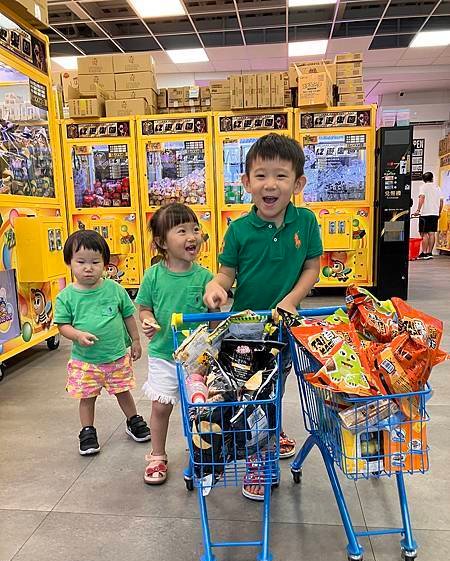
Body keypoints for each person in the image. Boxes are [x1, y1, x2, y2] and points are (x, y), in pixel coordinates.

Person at [203, 133, 323, 501]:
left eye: (281, 175)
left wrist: (292, 299)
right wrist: (216, 287)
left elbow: (312, 269)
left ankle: (267, 436)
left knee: (273, 389)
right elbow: (226, 273)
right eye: (261, 175)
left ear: (298, 183)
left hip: (285, 327)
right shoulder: (238, 230)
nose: (270, 184)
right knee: (249, 392)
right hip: (244, 330)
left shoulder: (306, 222)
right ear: (246, 183)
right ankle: (258, 454)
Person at [136, 204, 213, 485]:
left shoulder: (205, 277)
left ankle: (202, 451)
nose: (192, 236)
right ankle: (157, 455)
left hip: (198, 357)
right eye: (181, 231)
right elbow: (143, 307)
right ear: (161, 242)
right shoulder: (153, 275)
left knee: (199, 407)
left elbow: (214, 316)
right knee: (160, 407)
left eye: (195, 229)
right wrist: (147, 320)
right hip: (163, 353)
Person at [54, 230, 150, 455]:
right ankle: (87, 431)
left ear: (105, 264)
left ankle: (133, 420)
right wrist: (77, 335)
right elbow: (62, 325)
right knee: (87, 397)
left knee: (123, 391)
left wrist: (136, 340)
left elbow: (128, 315)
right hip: (85, 362)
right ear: (69, 262)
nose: (88, 268)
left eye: (95, 262)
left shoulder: (114, 289)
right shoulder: (66, 296)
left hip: (116, 356)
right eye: (81, 262)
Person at [413, 171, 444, 259]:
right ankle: (430, 253)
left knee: (424, 233)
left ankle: (424, 253)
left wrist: (418, 210)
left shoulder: (423, 187)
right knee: (432, 233)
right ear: (432, 178)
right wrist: (439, 212)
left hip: (425, 213)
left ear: (423, 180)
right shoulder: (437, 187)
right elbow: (441, 201)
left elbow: (422, 197)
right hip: (435, 213)